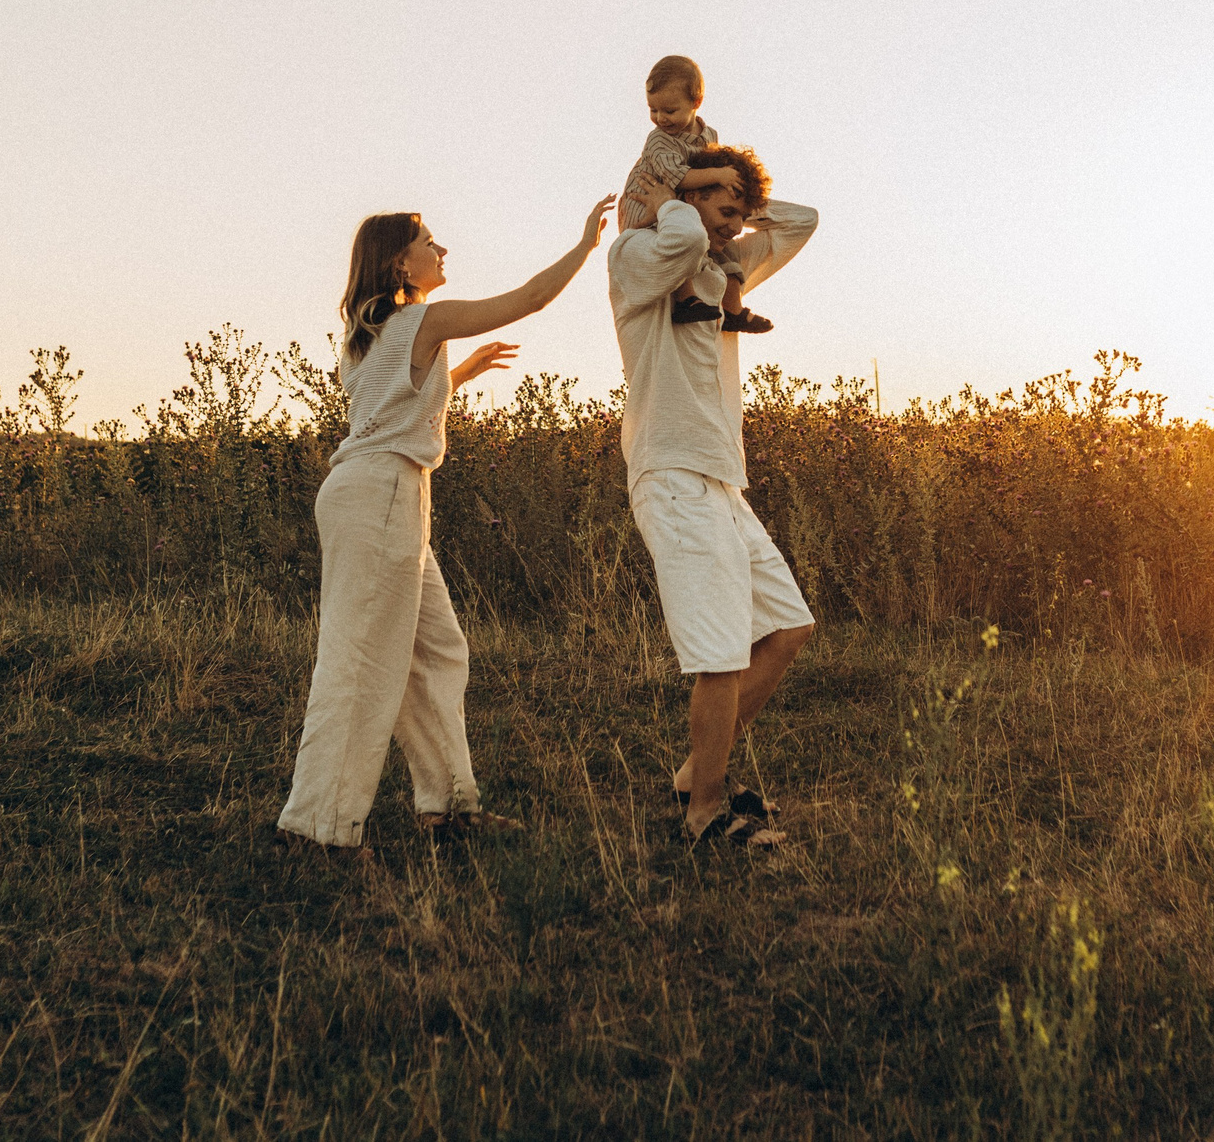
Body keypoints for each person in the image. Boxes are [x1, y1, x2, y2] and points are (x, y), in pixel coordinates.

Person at [276, 195, 614, 853]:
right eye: (431, 240)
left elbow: (391, 401)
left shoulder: (373, 332)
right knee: (360, 661)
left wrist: (460, 374)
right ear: (400, 258)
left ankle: (450, 807)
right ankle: (315, 828)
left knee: (437, 651)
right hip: (381, 496)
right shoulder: (420, 320)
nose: (442, 249)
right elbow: (533, 297)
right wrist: (585, 245)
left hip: (379, 492)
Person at [612, 144, 818, 848]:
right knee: (721, 655)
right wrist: (678, 193)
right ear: (685, 193)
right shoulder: (637, 258)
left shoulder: (719, 263)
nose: (731, 221)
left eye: (738, 207)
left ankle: (696, 770)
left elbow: (801, 222)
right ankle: (705, 811)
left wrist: (738, 202)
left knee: (789, 627)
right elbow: (684, 233)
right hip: (671, 475)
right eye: (718, 201)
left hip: (723, 480)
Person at [621, 54, 774, 334]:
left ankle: (733, 308)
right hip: (646, 206)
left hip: (681, 204)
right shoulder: (658, 140)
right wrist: (719, 175)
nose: (659, 118)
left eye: (669, 110)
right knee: (681, 239)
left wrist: (736, 195)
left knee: (725, 243)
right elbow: (677, 176)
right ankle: (685, 298)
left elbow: (707, 172)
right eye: (652, 109)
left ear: (696, 103)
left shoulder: (709, 135)